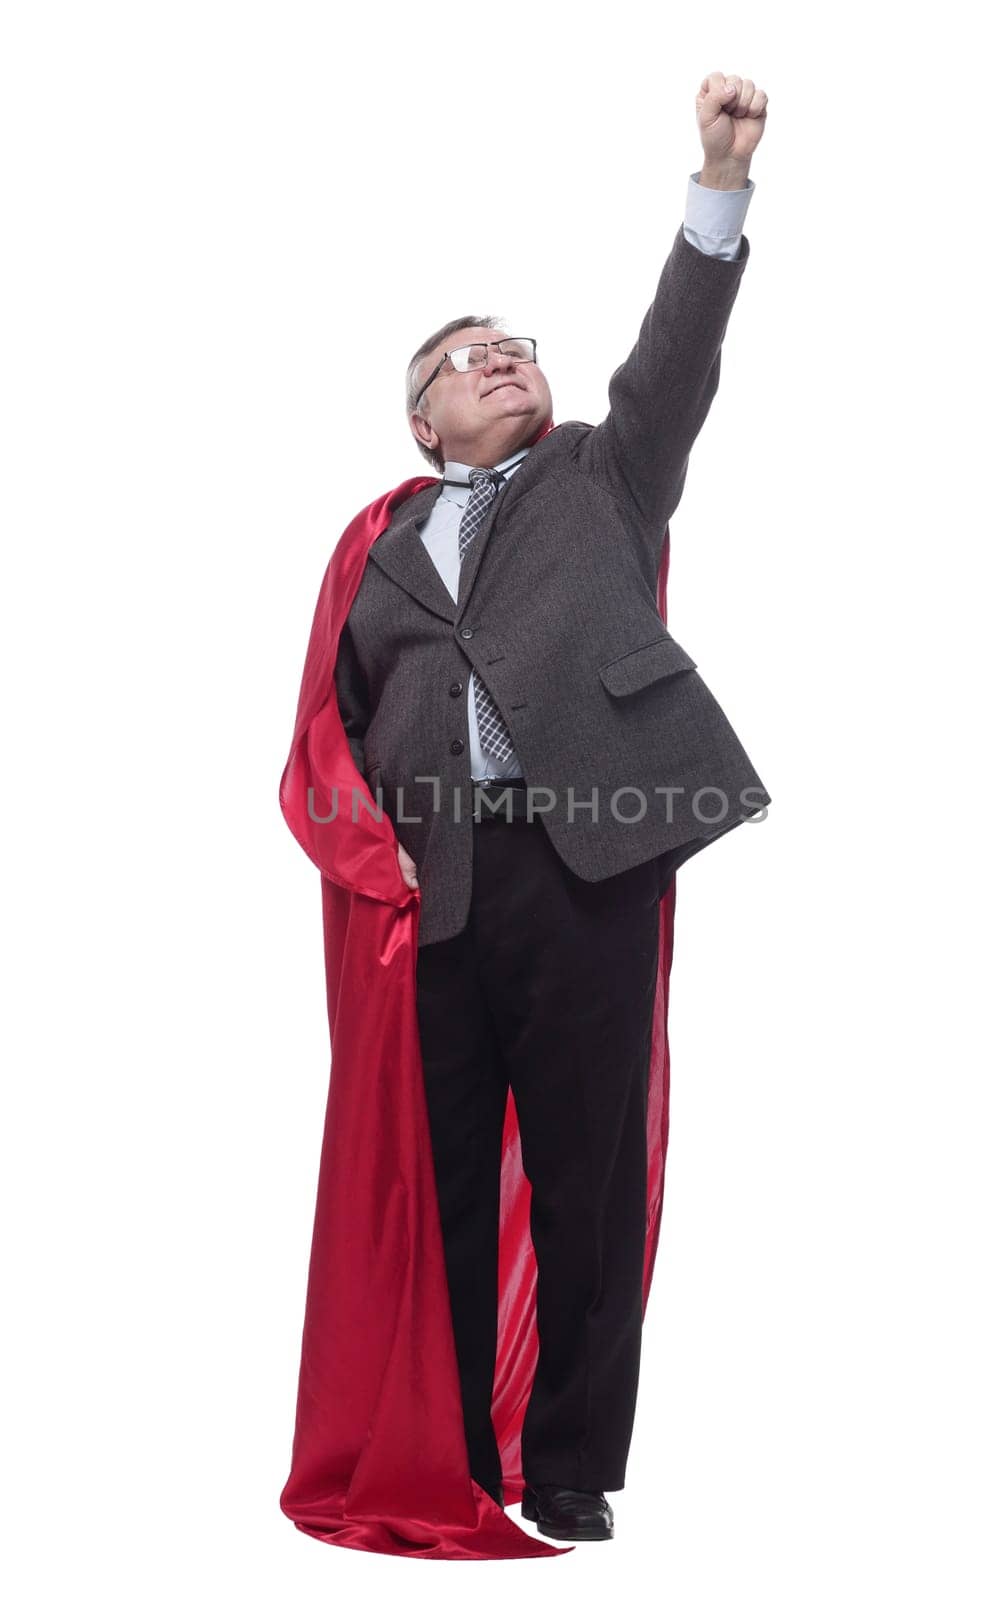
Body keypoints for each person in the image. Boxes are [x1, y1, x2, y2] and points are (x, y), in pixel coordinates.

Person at [330, 69, 771, 1543]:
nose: (502, 361)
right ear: (423, 422)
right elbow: (335, 720)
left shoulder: (605, 471)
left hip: (587, 862)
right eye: (468, 359)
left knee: (587, 1182)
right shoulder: (379, 550)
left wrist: (715, 191)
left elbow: (675, 362)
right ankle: (450, 1450)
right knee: (446, 1185)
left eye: (516, 346)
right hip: (436, 900)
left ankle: (572, 1463)